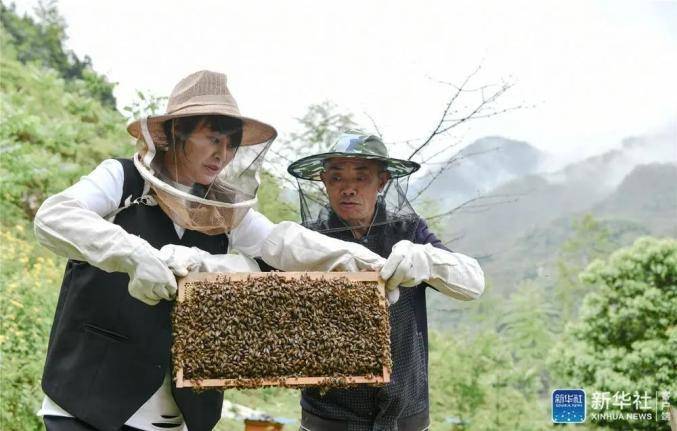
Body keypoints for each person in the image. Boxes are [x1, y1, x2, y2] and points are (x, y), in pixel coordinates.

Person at [33, 72, 387, 431]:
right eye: (212, 139)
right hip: (87, 407)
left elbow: (280, 242)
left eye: (231, 145)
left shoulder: (223, 208)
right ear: (176, 134)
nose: (223, 154)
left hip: (179, 418)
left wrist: (361, 261)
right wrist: (132, 254)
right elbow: (54, 217)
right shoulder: (120, 178)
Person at [285, 131, 486, 431]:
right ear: (324, 182)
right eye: (337, 178)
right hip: (327, 419)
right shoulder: (306, 239)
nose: (348, 189)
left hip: (406, 417)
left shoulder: (409, 230)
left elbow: (472, 281)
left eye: (361, 177)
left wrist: (427, 260)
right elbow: (247, 277)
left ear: (382, 182)